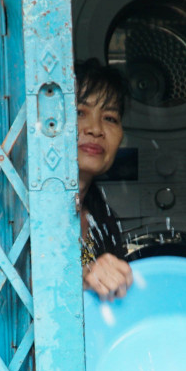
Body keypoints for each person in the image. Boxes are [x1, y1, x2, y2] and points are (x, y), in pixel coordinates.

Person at [75, 59, 133, 300]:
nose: (95, 129)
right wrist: (84, 275)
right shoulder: (14, 213)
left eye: (110, 118)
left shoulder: (101, 217)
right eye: (79, 112)